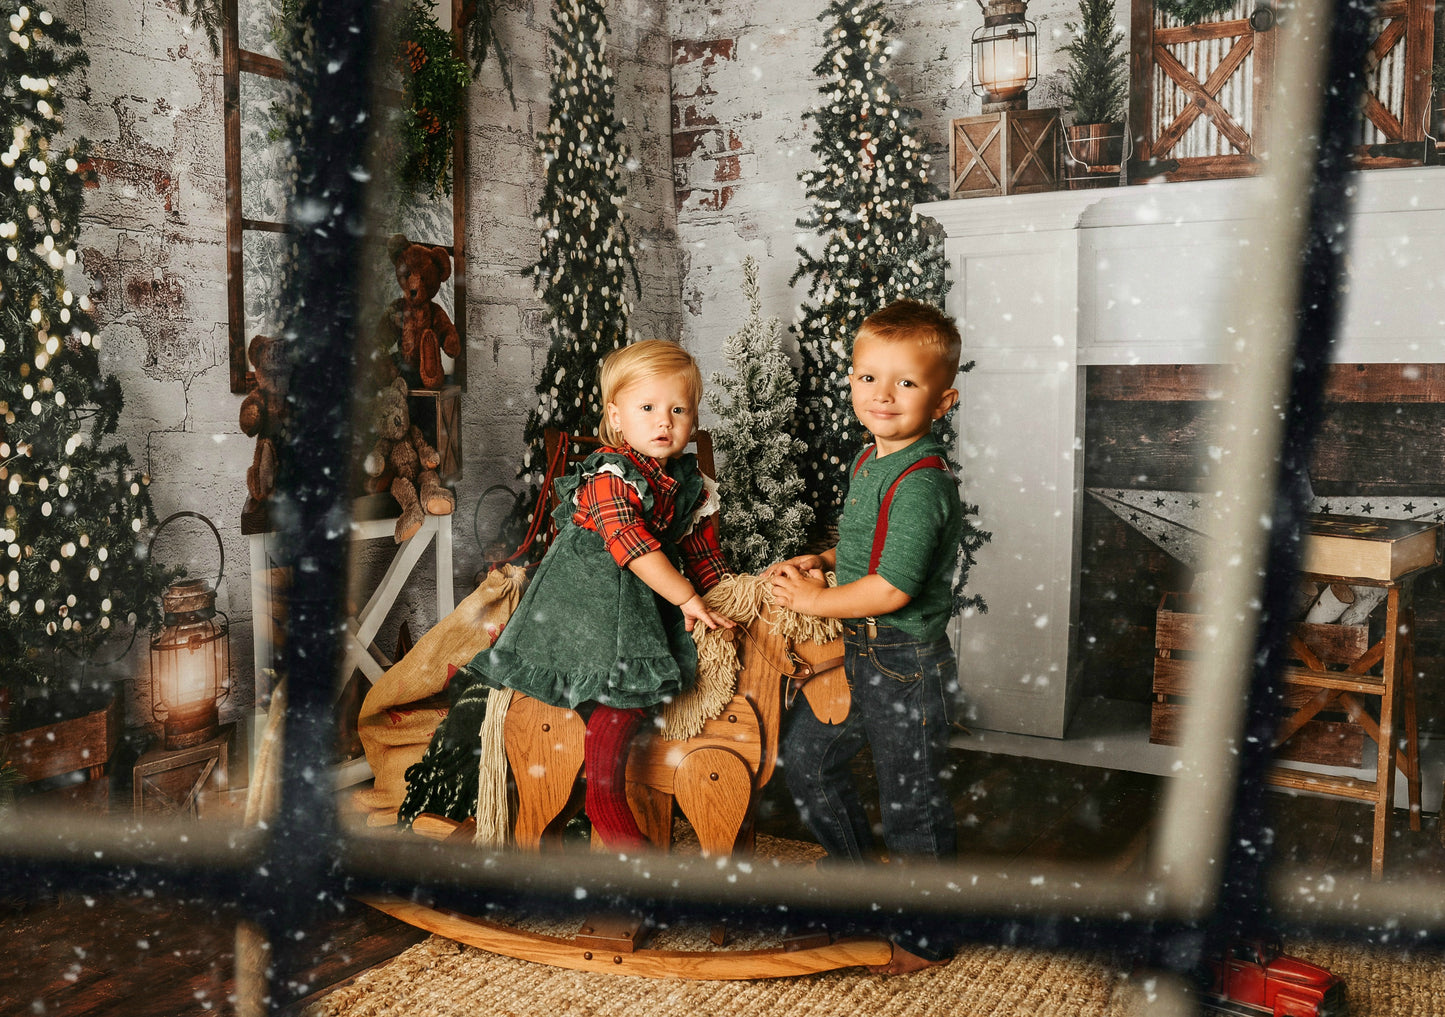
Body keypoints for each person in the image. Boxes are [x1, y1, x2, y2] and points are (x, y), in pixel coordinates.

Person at [400, 339, 733, 849]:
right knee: (613, 689)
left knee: (648, 690)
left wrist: (728, 598)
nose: (664, 422)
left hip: (643, 604)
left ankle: (620, 789)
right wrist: (688, 597)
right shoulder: (609, 476)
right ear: (616, 417)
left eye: (678, 410)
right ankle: (603, 799)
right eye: (647, 408)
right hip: (583, 606)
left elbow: (702, 552)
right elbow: (633, 546)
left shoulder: (688, 483)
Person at [768, 298, 967, 974]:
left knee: (911, 800)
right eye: (868, 377)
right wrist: (823, 560)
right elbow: (863, 549)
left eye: (906, 382)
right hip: (858, 654)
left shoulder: (921, 483)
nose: (882, 394)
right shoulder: (869, 460)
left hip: (904, 661)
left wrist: (815, 600)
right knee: (807, 758)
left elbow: (892, 587)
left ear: (942, 401)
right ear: (851, 382)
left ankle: (927, 935)